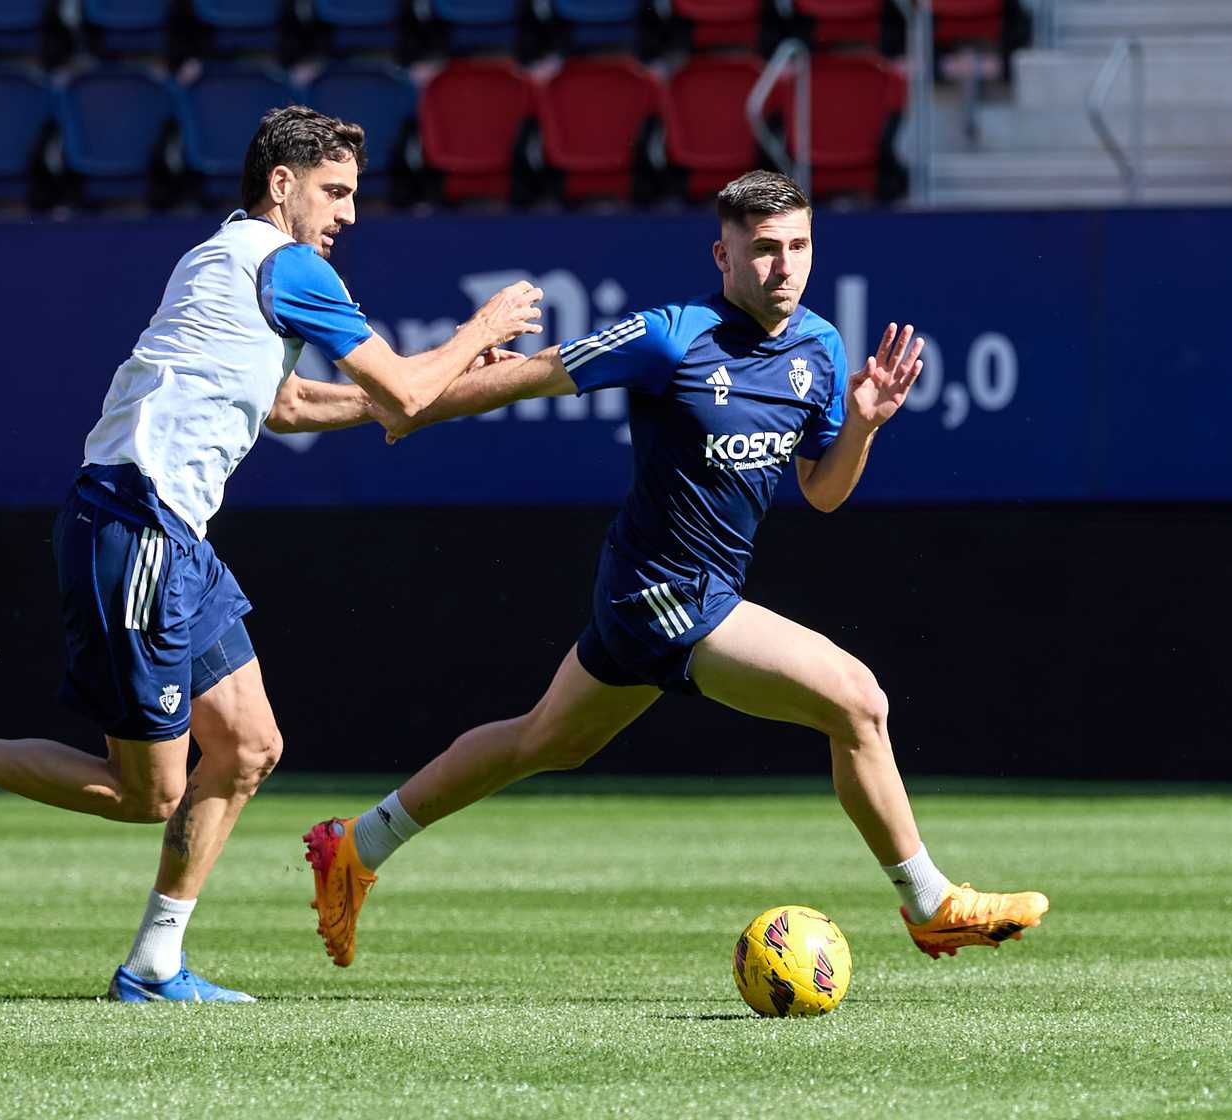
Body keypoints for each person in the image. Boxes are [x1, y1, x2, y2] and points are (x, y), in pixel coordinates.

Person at [0, 107, 543, 1002]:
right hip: (136, 524)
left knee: (248, 746)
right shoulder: (289, 264)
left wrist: (427, 381)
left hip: (168, 534)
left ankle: (156, 964)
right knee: (146, 793)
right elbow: (399, 390)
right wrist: (479, 330)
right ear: (282, 185)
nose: (351, 213)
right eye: (337, 191)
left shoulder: (223, 255)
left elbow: (288, 407)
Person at [304, 171, 1048, 968]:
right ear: (721, 255)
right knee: (858, 702)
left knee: (545, 741)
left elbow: (823, 494)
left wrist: (862, 427)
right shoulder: (671, 335)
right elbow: (533, 374)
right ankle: (932, 904)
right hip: (660, 591)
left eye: (798, 247)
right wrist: (409, 407)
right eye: (762, 250)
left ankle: (358, 845)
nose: (784, 267)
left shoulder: (823, 350)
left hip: (692, 591)